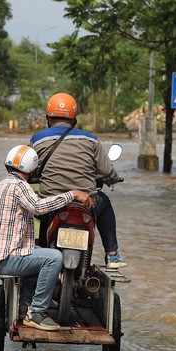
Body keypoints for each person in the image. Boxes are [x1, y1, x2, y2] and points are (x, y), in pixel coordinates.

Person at [0, 144, 91, 331]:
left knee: (38, 252)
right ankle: (37, 312)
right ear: (32, 169)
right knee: (54, 258)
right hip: (5, 258)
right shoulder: (20, 186)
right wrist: (72, 194)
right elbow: (38, 207)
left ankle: (25, 303)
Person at [30, 92, 127, 269]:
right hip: (87, 202)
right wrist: (113, 178)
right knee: (104, 202)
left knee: (31, 207)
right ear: (74, 118)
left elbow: (29, 167)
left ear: (48, 118)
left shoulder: (37, 140)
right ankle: (112, 255)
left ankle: (29, 249)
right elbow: (106, 170)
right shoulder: (91, 139)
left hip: (51, 203)